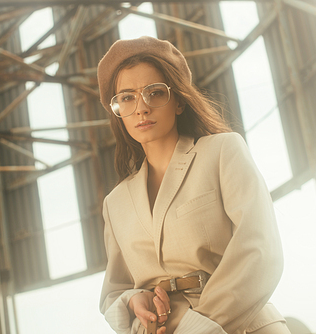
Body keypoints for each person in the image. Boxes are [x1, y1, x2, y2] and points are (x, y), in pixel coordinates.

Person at [97, 36, 291, 334]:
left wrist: (197, 328)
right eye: (127, 97)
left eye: (155, 93)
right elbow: (114, 290)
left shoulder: (222, 151)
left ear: (178, 101)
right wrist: (134, 299)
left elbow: (259, 249)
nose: (141, 108)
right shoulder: (115, 203)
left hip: (240, 326)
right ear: (118, 111)